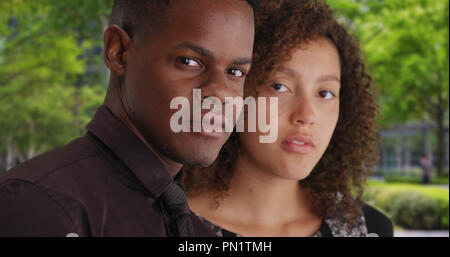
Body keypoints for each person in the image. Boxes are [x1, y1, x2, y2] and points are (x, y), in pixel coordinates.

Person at [0, 0, 259, 237]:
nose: (221, 94)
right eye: (189, 61)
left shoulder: (200, 233)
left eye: (236, 72)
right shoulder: (41, 204)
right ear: (118, 51)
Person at [185, 0, 394, 237]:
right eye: (279, 87)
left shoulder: (369, 228)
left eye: (324, 93)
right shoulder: (169, 225)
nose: (306, 115)